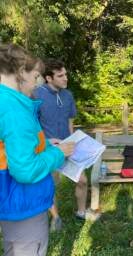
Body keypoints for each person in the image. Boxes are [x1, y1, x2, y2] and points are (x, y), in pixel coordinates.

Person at [0, 43, 74, 256]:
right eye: (35, 76)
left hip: (10, 200)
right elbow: (25, 169)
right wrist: (59, 153)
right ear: (20, 71)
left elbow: (13, 149)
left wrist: (45, 145)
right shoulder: (13, 109)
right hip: (23, 203)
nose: (37, 83)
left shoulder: (6, 101)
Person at [33, 59, 89, 230]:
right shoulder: (36, 95)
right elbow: (32, 125)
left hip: (68, 146)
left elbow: (70, 121)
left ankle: (81, 213)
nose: (66, 78)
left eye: (65, 74)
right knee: (52, 185)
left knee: (83, 180)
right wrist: (44, 143)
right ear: (49, 78)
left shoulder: (68, 95)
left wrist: (73, 139)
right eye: (60, 76)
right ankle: (55, 218)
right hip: (48, 149)